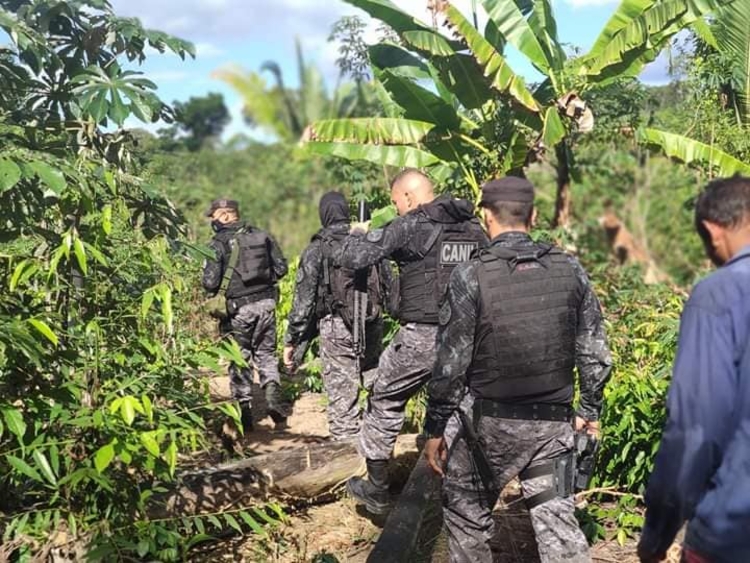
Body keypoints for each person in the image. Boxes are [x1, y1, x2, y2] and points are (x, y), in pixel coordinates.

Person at [423, 177, 612, 562]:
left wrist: (435, 427)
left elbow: (450, 363)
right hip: (552, 430)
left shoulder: (471, 274)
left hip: (487, 431)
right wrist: (589, 413)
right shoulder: (570, 270)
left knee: (466, 518)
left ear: (486, 218)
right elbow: (595, 353)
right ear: (534, 216)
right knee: (557, 523)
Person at [337, 168, 488, 515]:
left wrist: (359, 235)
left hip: (422, 335)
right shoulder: (473, 226)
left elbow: (355, 258)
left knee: (385, 398)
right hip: (468, 337)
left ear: (407, 196)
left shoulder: (411, 224)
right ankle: (455, 486)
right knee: (456, 406)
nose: (397, 208)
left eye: (395, 202)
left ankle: (376, 486)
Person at [638, 176, 750, 563]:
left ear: (712, 230)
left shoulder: (719, 294)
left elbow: (696, 431)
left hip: (733, 530)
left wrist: (656, 537)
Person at [282, 191, 391, 440]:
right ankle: (380, 451)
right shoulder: (370, 240)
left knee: (343, 402)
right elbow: (388, 286)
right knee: (376, 387)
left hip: (336, 327)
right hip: (372, 322)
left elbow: (303, 303)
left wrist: (292, 340)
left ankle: (348, 460)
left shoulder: (317, 248)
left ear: (324, 215)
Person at [202, 198, 289, 432]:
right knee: (267, 354)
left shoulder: (217, 244)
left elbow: (209, 282)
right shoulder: (262, 235)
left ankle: (244, 413)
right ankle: (273, 399)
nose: (212, 222)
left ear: (225, 215)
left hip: (238, 310)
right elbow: (281, 268)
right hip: (267, 304)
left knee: (240, 359)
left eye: (214, 216)